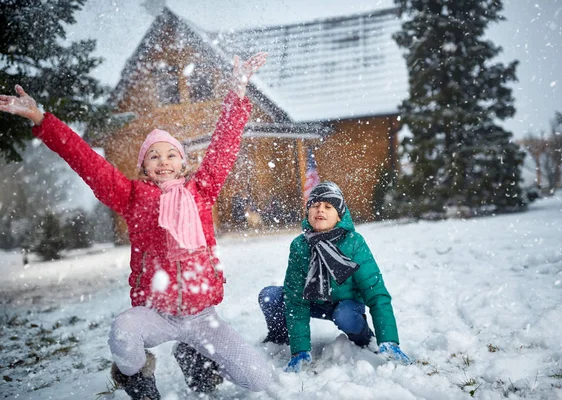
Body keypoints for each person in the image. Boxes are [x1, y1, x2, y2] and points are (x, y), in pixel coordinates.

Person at [0, 52, 272, 399]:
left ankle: (194, 354)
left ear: (183, 163)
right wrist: (42, 119)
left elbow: (224, 146)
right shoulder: (131, 197)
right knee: (123, 333)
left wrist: (238, 91)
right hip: (156, 313)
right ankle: (138, 380)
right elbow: (86, 160)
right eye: (154, 156)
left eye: (171, 154)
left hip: (203, 316)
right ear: (144, 166)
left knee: (261, 380)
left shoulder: (201, 191)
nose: (163, 161)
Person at [258, 181, 412, 372]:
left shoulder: (354, 243)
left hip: (345, 305)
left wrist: (389, 339)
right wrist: (300, 350)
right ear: (308, 213)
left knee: (345, 314)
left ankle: (364, 337)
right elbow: (295, 299)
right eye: (315, 205)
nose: (320, 210)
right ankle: (281, 338)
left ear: (339, 215)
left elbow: (376, 293)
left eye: (328, 206)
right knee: (271, 296)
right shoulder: (300, 245)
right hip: (314, 301)